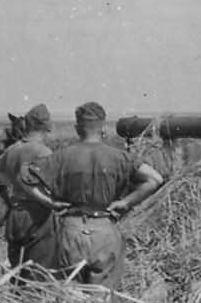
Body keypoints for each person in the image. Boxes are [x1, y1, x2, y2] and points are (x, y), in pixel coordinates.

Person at [22, 101, 164, 291]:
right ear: (103, 127)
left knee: (70, 300)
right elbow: (155, 179)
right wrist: (126, 202)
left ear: (77, 128)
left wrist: (50, 203)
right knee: (102, 302)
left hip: (71, 230)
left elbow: (25, 177)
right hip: (105, 229)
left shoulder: (61, 156)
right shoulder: (120, 157)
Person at [0, 104, 56, 282]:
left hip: (15, 214)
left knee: (17, 270)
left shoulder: (14, 148)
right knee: (38, 272)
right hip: (37, 215)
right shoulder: (43, 151)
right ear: (47, 126)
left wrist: (14, 182)